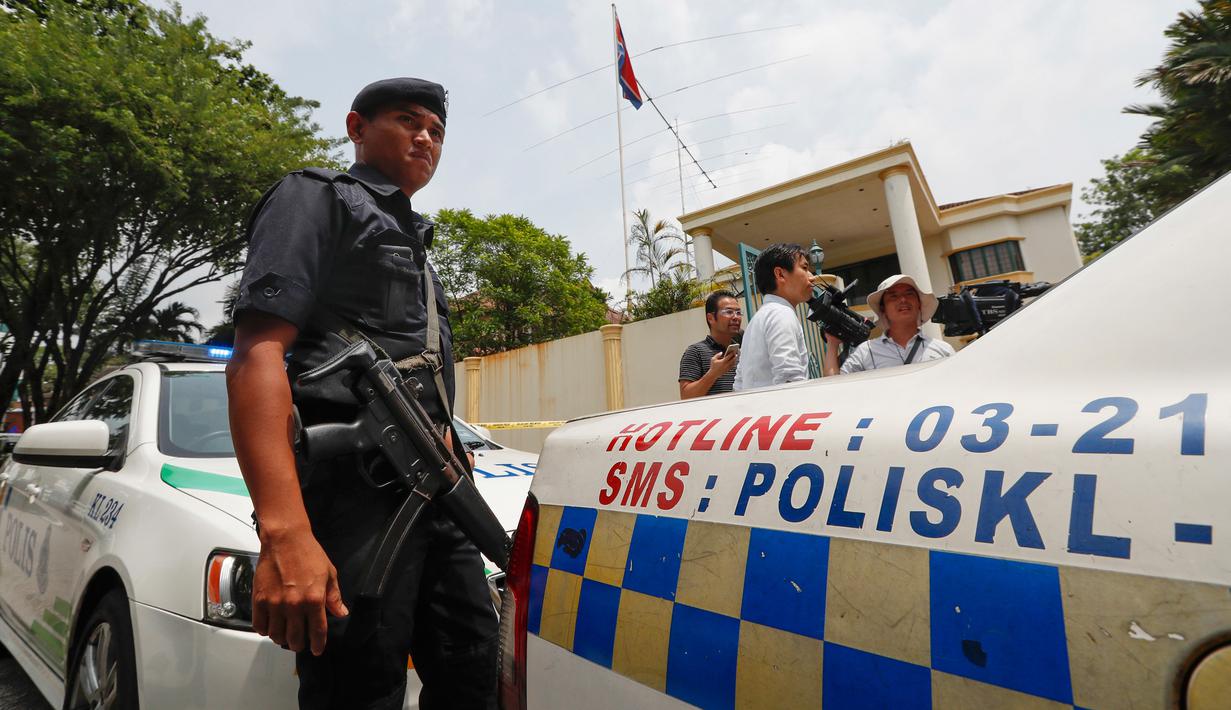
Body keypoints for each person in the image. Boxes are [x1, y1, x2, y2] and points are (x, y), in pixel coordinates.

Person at [226, 78, 497, 710]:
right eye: (408, 120)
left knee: (474, 671)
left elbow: (419, 374)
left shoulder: (420, 246)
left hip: (437, 496)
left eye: (436, 130)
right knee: (359, 686)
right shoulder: (315, 197)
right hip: (356, 498)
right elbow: (255, 357)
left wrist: (450, 442)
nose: (425, 137)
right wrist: (286, 533)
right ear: (357, 127)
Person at [823, 274, 955, 375]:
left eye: (909, 294)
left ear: (919, 304)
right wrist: (832, 344)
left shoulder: (944, 351)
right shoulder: (866, 352)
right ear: (883, 309)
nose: (903, 299)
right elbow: (834, 388)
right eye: (893, 296)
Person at [733, 243, 814, 390]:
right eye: (804, 268)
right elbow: (790, 379)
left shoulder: (756, 320)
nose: (812, 277)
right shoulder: (781, 314)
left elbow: (739, 383)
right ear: (780, 274)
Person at [678, 290, 742, 398]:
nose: (736, 317)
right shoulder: (695, 352)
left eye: (738, 312)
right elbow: (686, 396)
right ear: (711, 318)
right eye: (729, 312)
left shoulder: (743, 351)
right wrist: (713, 374)